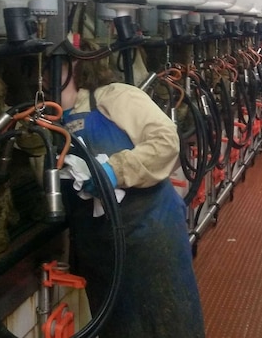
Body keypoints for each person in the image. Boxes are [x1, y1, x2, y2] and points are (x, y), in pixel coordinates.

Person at [57, 49, 205, 337]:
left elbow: (165, 142)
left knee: (169, 322)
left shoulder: (114, 97)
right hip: (102, 253)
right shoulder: (52, 122)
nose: (42, 80)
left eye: (54, 70)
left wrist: (115, 171)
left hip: (150, 237)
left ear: (76, 65)